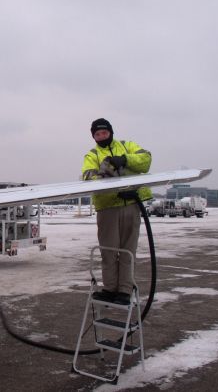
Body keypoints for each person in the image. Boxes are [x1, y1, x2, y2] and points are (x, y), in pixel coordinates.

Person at [81, 118, 152, 305]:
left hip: (131, 204)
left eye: (104, 133)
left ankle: (125, 291)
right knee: (109, 251)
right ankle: (110, 288)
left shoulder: (127, 146)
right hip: (108, 208)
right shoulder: (93, 154)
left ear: (111, 132)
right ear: (93, 136)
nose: (101, 136)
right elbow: (87, 177)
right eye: (97, 134)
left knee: (128, 250)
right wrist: (104, 174)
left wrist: (126, 159)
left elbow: (145, 160)